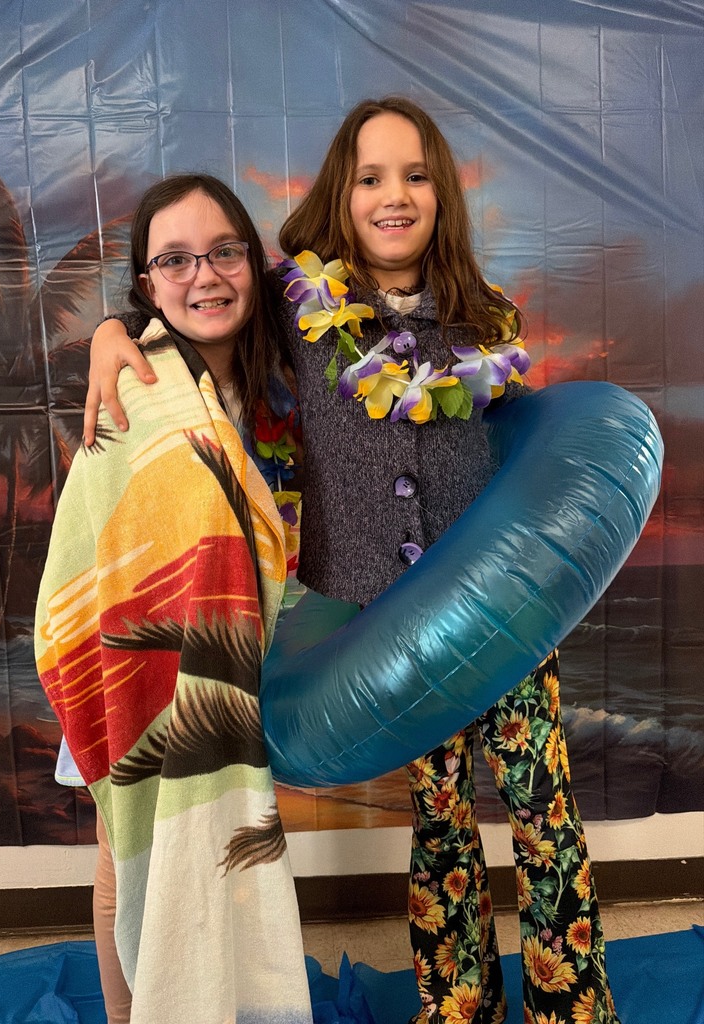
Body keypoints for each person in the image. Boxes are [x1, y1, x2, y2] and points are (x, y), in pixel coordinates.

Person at [83, 98, 619, 1024]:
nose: (393, 196)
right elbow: (204, 311)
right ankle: (456, 1004)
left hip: (507, 618)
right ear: (344, 192)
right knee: (442, 819)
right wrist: (106, 334)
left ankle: (573, 1007)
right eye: (371, 177)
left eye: (414, 176)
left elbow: (523, 461)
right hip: (392, 622)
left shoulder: (486, 322)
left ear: (441, 195)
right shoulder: (301, 314)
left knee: (543, 814)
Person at [36, 173, 310, 1024]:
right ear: (148, 284)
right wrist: (110, 333)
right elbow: (102, 534)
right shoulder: (138, 387)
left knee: (187, 860)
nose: (205, 276)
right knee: (127, 858)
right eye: (176, 260)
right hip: (127, 655)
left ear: (252, 265)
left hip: (215, 666)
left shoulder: (274, 380)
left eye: (224, 251)